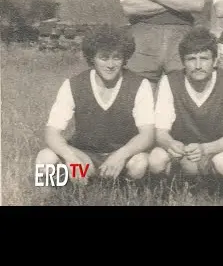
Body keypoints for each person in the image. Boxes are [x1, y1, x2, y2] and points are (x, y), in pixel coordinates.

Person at [35, 24, 155, 183]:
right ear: (92, 58)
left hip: (122, 158)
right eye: (104, 58)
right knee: (45, 158)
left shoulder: (139, 84)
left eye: (117, 57)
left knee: (140, 163)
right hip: (85, 157)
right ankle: (49, 199)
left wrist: (120, 155)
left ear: (125, 58)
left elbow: (147, 134)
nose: (110, 65)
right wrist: (70, 158)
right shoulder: (73, 84)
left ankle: (126, 195)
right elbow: (52, 133)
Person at [148, 27, 223, 179]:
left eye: (204, 59)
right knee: (155, 159)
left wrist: (206, 149)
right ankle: (168, 195)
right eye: (191, 59)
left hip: (216, 149)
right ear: (182, 61)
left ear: (215, 60)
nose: (198, 65)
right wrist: (170, 144)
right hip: (182, 149)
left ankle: (220, 195)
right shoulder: (170, 81)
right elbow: (160, 132)